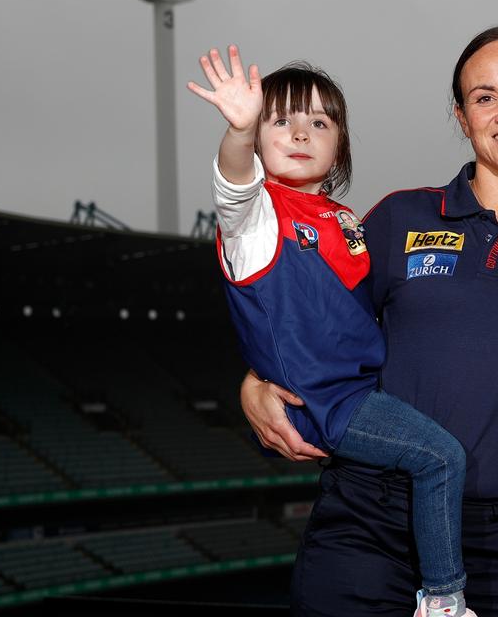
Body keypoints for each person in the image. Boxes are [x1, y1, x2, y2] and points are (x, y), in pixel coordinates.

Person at [239, 26, 498, 617]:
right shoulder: (397, 218)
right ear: (461, 116)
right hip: (368, 521)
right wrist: (253, 382)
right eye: (484, 97)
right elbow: (313, 321)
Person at [189, 50, 480, 617]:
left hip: (359, 391)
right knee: (440, 458)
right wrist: (239, 129)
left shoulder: (342, 218)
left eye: (319, 122)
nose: (301, 132)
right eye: (281, 121)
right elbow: (232, 185)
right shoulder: (257, 217)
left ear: (340, 146)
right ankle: (444, 602)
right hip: (327, 401)